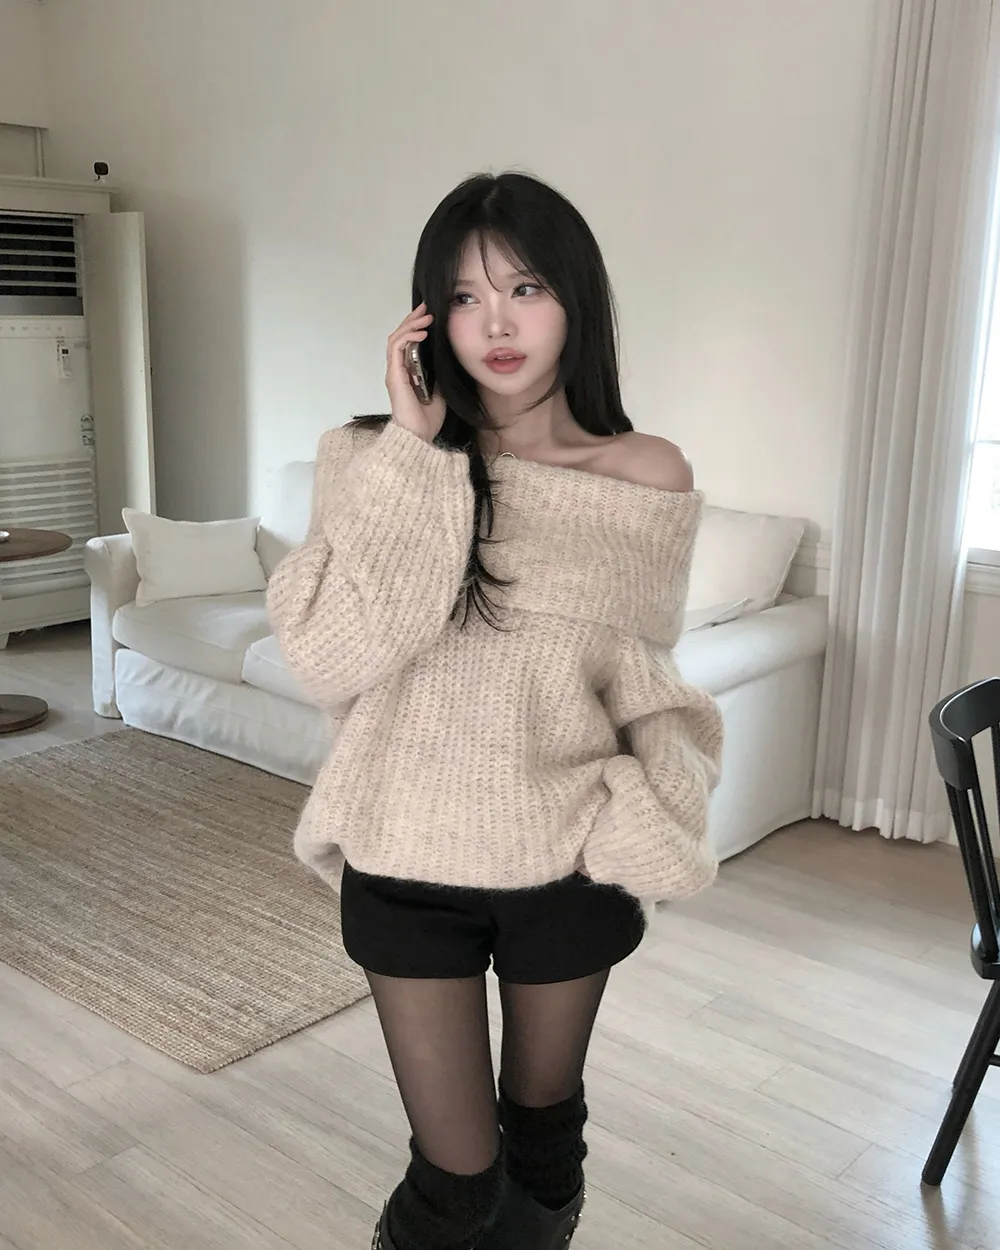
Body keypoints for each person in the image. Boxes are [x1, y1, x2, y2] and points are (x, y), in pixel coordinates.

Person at [266, 171, 724, 1250]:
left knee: (544, 1144)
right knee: (455, 1185)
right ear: (428, 315)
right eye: (465, 297)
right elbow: (328, 657)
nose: (498, 325)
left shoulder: (644, 475)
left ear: (575, 299)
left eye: (526, 288)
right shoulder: (367, 457)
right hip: (403, 857)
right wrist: (416, 450)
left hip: (564, 867)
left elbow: (644, 682)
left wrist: (647, 807)